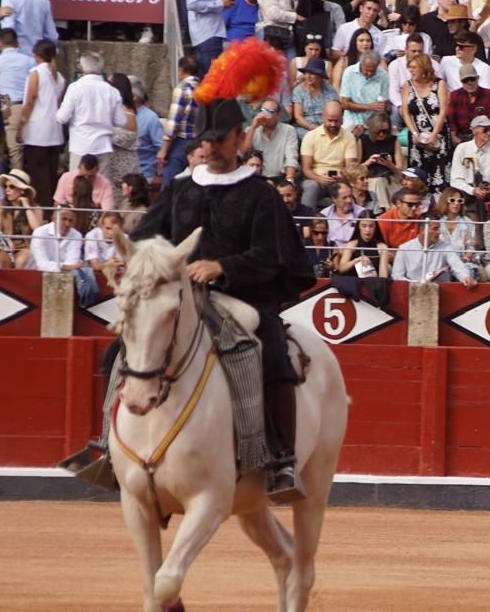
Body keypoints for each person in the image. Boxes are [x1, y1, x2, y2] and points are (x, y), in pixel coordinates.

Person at [82, 66, 317, 503]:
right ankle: (105, 447)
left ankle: (281, 459)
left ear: (239, 140)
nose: (210, 148)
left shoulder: (261, 193)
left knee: (271, 350)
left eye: (219, 140)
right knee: (117, 349)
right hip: (180, 297)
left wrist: (221, 266)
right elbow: (148, 236)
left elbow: (272, 254)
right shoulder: (181, 187)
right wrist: (132, 257)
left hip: (241, 296)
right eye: (205, 141)